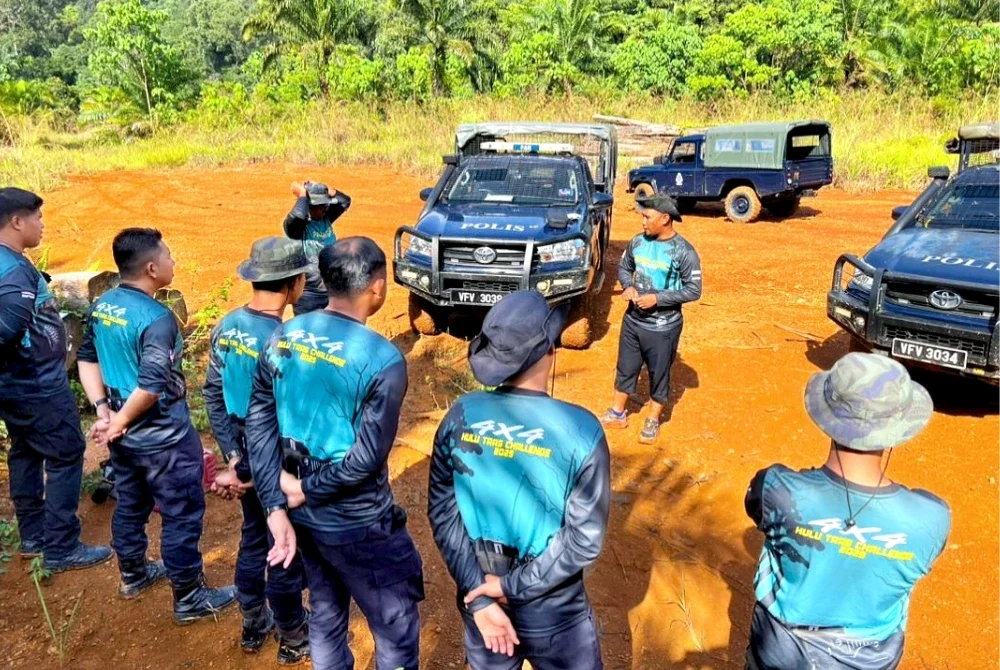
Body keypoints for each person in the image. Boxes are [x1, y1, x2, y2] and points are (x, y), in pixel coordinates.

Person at [246, 237, 424, 670]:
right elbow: (365, 459)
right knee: (395, 626)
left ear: (324, 282)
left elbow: (259, 421)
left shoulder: (284, 334)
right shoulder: (383, 359)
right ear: (378, 288)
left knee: (326, 615)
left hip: (302, 518)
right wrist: (305, 489)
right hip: (358, 522)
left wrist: (276, 501)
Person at [429, 291, 612, 670]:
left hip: (479, 589)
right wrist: (510, 587)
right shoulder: (583, 430)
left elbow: (442, 513)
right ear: (550, 349)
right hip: (553, 607)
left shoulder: (460, 414)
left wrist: (481, 596)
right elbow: (582, 540)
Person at [744, 352, 951, 669]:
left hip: (779, 654)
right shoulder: (932, 518)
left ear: (828, 418)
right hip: (868, 659)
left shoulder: (777, 488)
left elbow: (756, 510)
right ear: (896, 429)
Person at [77, 227, 237, 621]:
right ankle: (189, 599)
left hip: (124, 435)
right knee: (182, 514)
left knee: (131, 503)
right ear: (151, 267)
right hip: (163, 438)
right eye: (169, 256)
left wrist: (105, 413)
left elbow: (86, 357)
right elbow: (151, 386)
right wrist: (119, 422)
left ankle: (133, 574)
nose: (173, 262)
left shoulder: (103, 304)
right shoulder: (157, 318)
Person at [203, 237, 311, 662]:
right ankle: (293, 635)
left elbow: (213, 392)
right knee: (285, 542)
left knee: (253, 537)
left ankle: (252, 621)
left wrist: (235, 459)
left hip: (243, 448)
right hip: (279, 458)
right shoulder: (287, 339)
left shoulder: (227, 325)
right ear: (295, 284)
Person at [0, 187, 112, 572]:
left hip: (16, 385)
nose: (43, 225)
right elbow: (7, 328)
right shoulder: (13, 272)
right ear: (17, 221)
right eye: (38, 218)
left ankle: (33, 535)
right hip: (37, 385)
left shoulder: (7, 262)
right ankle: (62, 546)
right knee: (65, 455)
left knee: (26, 451)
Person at [601, 192, 702, 444]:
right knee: (626, 367)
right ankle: (617, 413)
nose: (643, 222)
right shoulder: (637, 242)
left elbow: (694, 290)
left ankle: (653, 419)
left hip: (663, 327)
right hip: (633, 321)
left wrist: (658, 299)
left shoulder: (684, 252)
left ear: (665, 218)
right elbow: (625, 268)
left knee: (659, 374)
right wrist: (628, 286)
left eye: (647, 217)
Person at [283, 181, 352, 315]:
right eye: (320, 205)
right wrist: (302, 193)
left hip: (333, 290)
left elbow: (345, 201)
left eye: (326, 204)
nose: (325, 208)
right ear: (308, 206)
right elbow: (297, 215)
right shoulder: (297, 228)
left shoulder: (326, 218)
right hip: (309, 295)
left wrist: (324, 189)